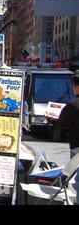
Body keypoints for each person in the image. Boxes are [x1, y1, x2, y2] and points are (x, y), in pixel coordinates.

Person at [51, 74, 79, 205]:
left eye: (73, 86)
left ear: (77, 87)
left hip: (77, 147)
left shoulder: (73, 105)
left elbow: (62, 124)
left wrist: (50, 118)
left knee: (76, 178)